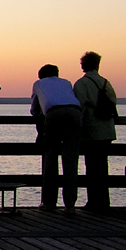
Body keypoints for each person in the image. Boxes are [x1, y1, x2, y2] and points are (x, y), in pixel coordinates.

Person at [31, 64, 82, 213]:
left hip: (54, 113)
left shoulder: (38, 84)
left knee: (51, 157)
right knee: (71, 160)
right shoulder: (66, 82)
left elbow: (34, 109)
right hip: (75, 112)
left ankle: (49, 202)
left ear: (40, 75)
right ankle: (70, 204)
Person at [73, 51, 117, 212]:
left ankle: (93, 202)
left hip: (91, 130)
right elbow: (113, 102)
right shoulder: (105, 82)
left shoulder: (81, 83)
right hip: (107, 130)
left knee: (91, 167)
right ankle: (104, 202)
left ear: (84, 65)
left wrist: (78, 127)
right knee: (103, 167)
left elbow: (80, 106)